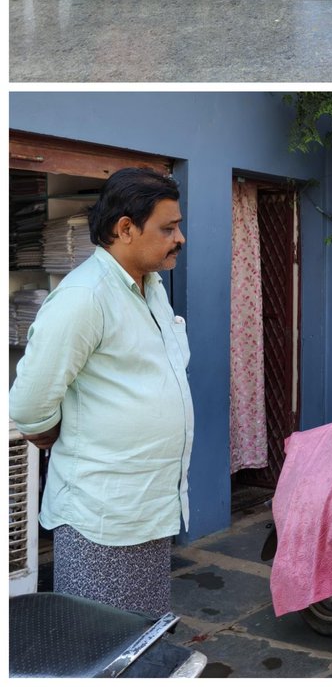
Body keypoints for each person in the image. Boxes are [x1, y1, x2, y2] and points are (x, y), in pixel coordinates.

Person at [8, 168, 192, 617]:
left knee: (141, 638)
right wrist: (53, 432)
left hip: (148, 508)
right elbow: (29, 403)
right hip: (102, 518)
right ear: (125, 229)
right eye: (168, 228)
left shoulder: (151, 288)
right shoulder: (84, 297)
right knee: (97, 641)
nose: (180, 238)